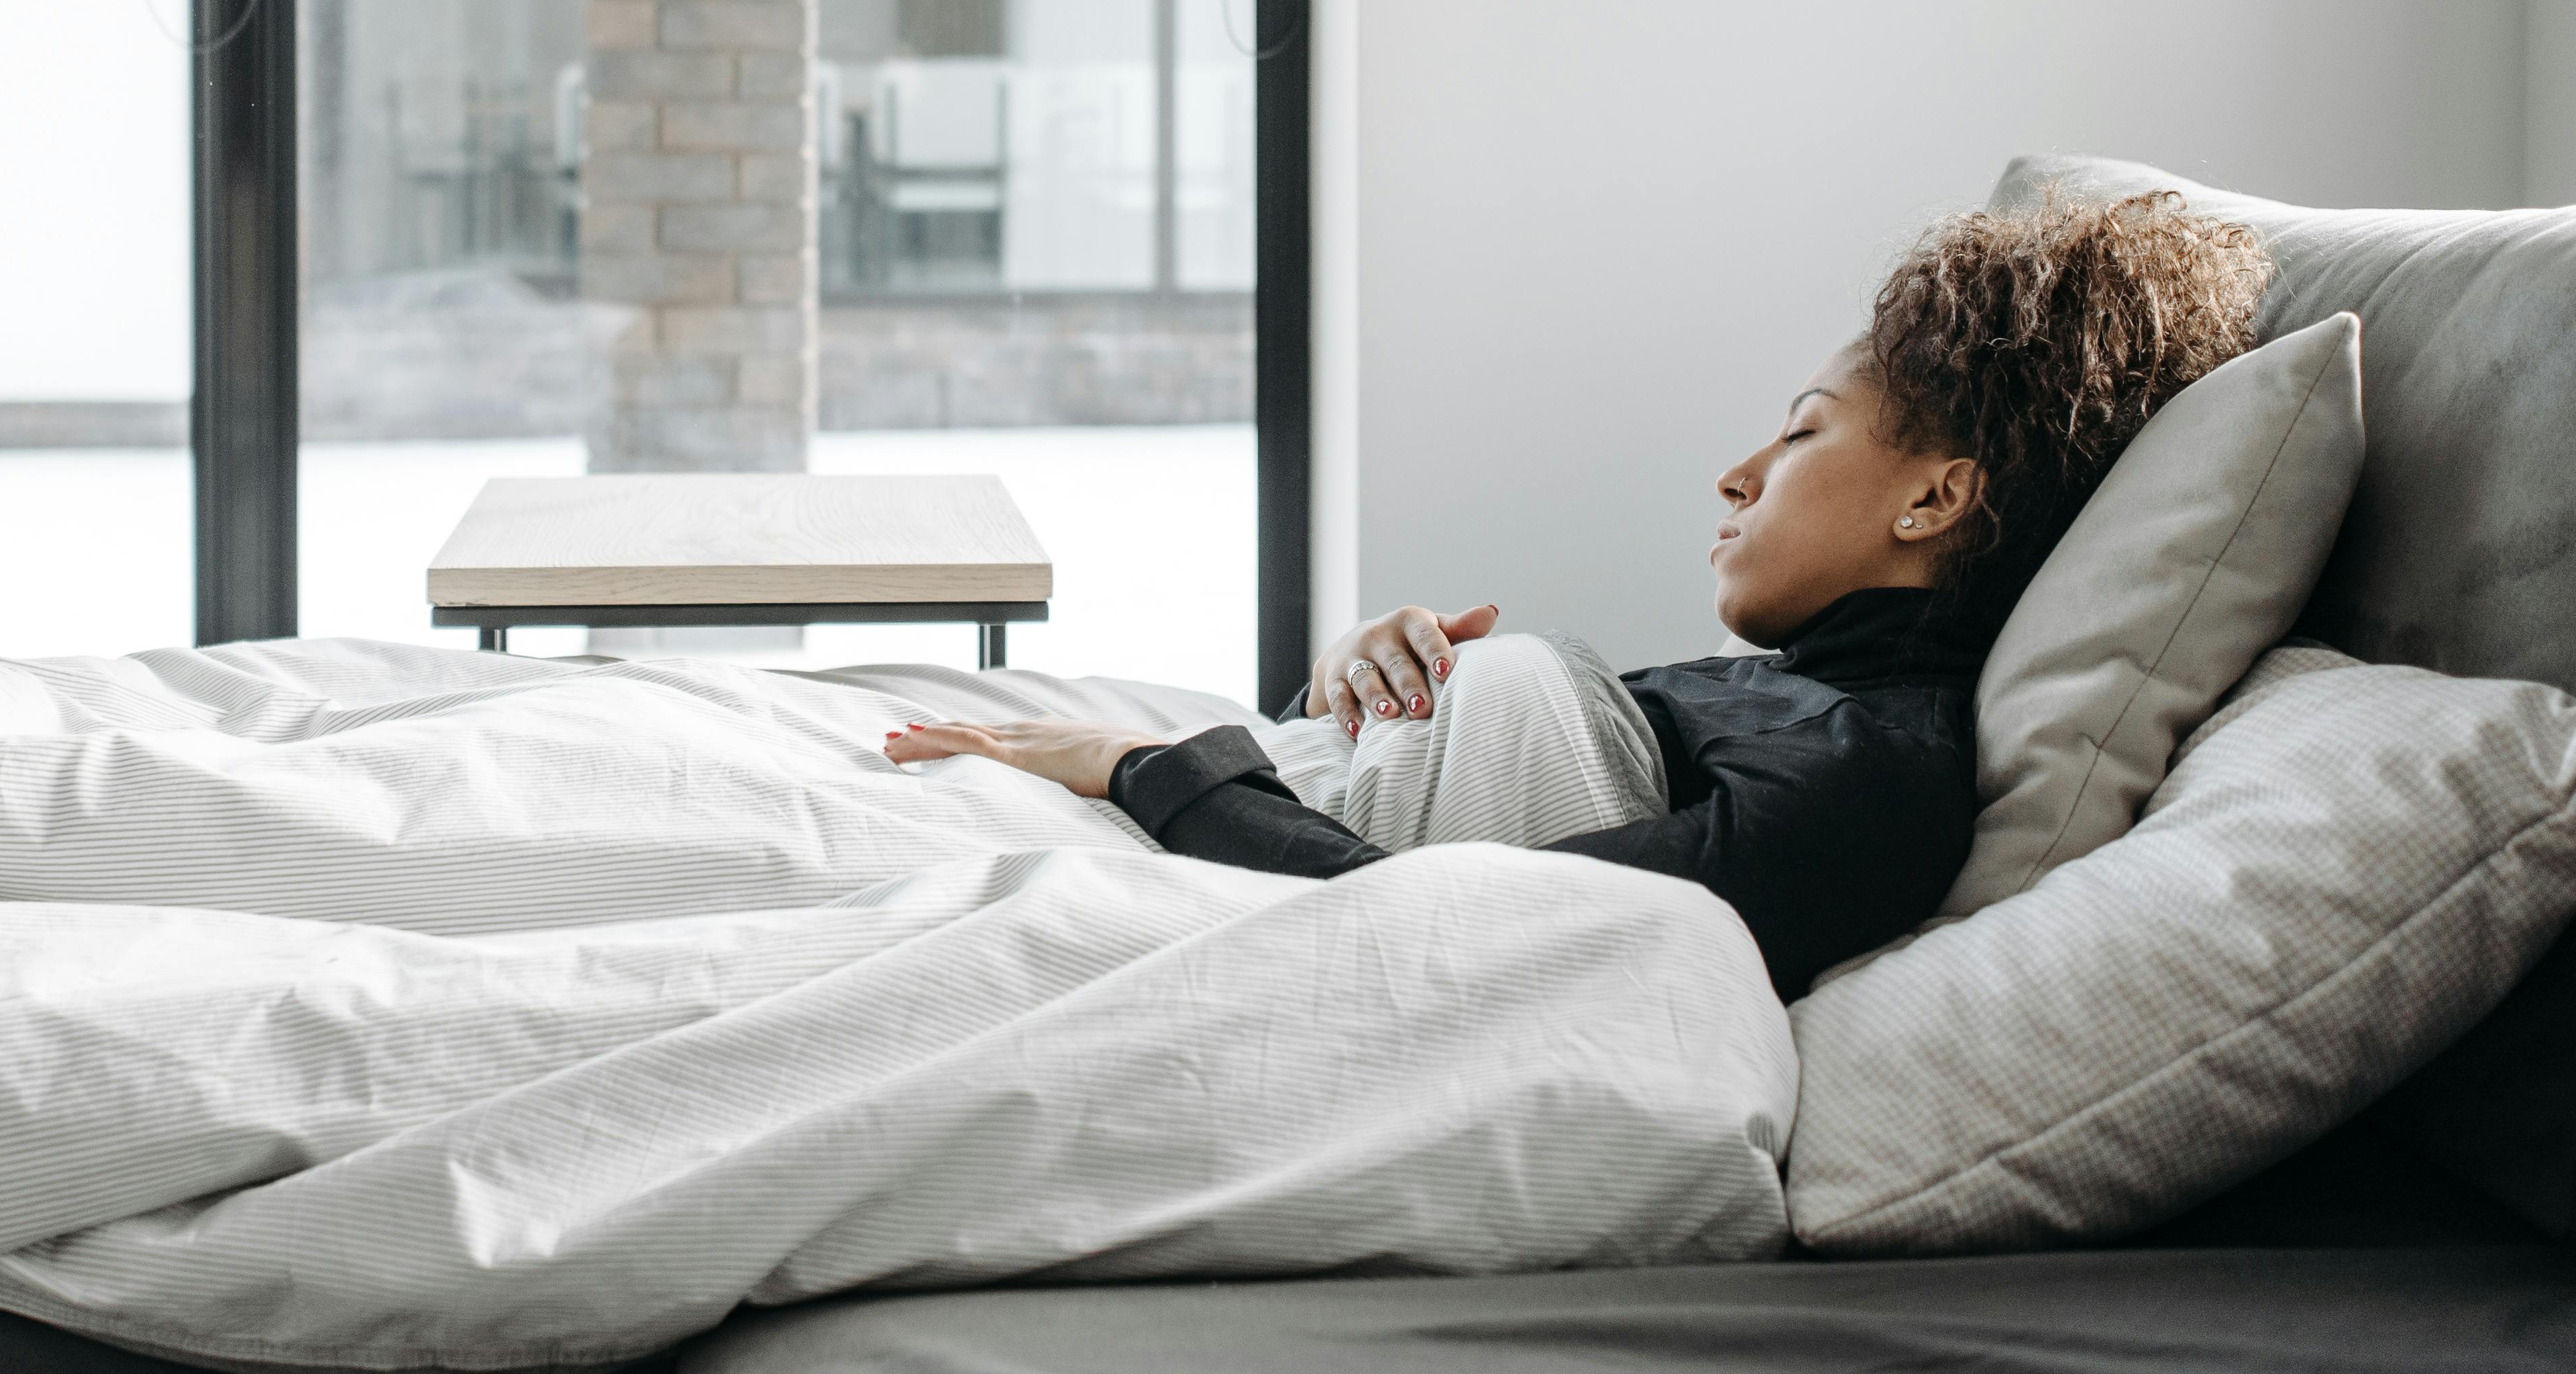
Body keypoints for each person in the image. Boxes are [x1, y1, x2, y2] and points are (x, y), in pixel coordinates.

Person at [885, 190, 2271, 997]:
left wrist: (1142, 766)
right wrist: (1360, 687)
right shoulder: (1800, 701)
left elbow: (1435, 920)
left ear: (1931, 498)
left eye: (1797, 431)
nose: (1738, 476)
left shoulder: (1874, 775)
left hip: (1180, 845)